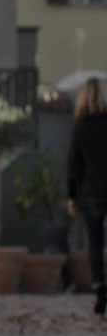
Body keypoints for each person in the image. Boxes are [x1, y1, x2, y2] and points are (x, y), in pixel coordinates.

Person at [67, 78, 107, 315]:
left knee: (95, 241)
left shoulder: (81, 126)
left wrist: (72, 196)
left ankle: (101, 290)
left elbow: (74, 165)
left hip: (91, 191)